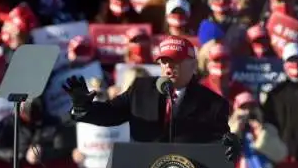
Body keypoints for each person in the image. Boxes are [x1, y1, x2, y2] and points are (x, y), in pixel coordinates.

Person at [63, 37, 238, 156]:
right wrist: (82, 107)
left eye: (176, 61)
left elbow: (220, 146)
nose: (169, 67)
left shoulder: (213, 104)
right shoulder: (141, 89)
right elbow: (110, 114)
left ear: (193, 65)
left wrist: (230, 146)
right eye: (164, 61)